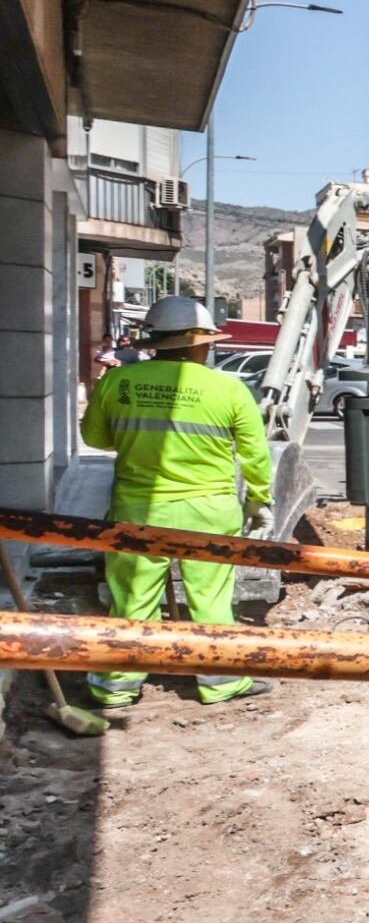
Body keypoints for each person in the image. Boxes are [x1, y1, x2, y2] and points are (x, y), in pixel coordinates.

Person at [78, 296, 276, 709]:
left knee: (132, 598)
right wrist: (260, 500)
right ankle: (220, 682)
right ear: (199, 342)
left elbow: (95, 439)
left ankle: (116, 686)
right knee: (212, 600)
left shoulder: (118, 382)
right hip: (209, 511)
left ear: (155, 340)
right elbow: (255, 455)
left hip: (139, 509)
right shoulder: (229, 388)